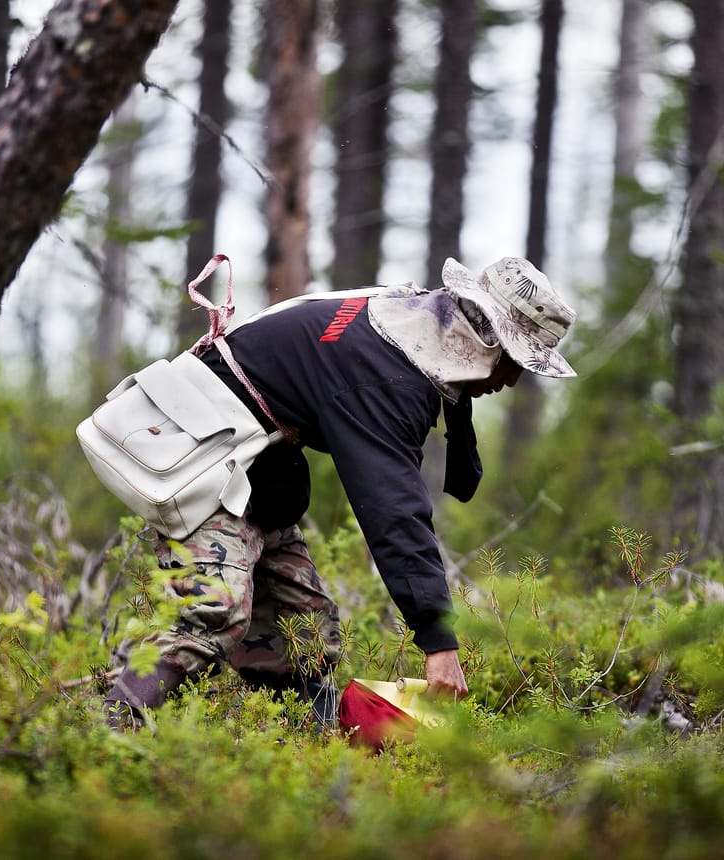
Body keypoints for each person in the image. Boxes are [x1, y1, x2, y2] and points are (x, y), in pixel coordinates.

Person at [103, 255, 577, 729]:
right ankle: (107, 734)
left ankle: (306, 752)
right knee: (212, 613)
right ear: (484, 338)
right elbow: (394, 512)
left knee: (305, 633)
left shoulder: (410, 319)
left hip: (248, 465)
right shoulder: (388, 374)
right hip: (194, 452)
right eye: (515, 361)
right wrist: (440, 643)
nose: (515, 379)